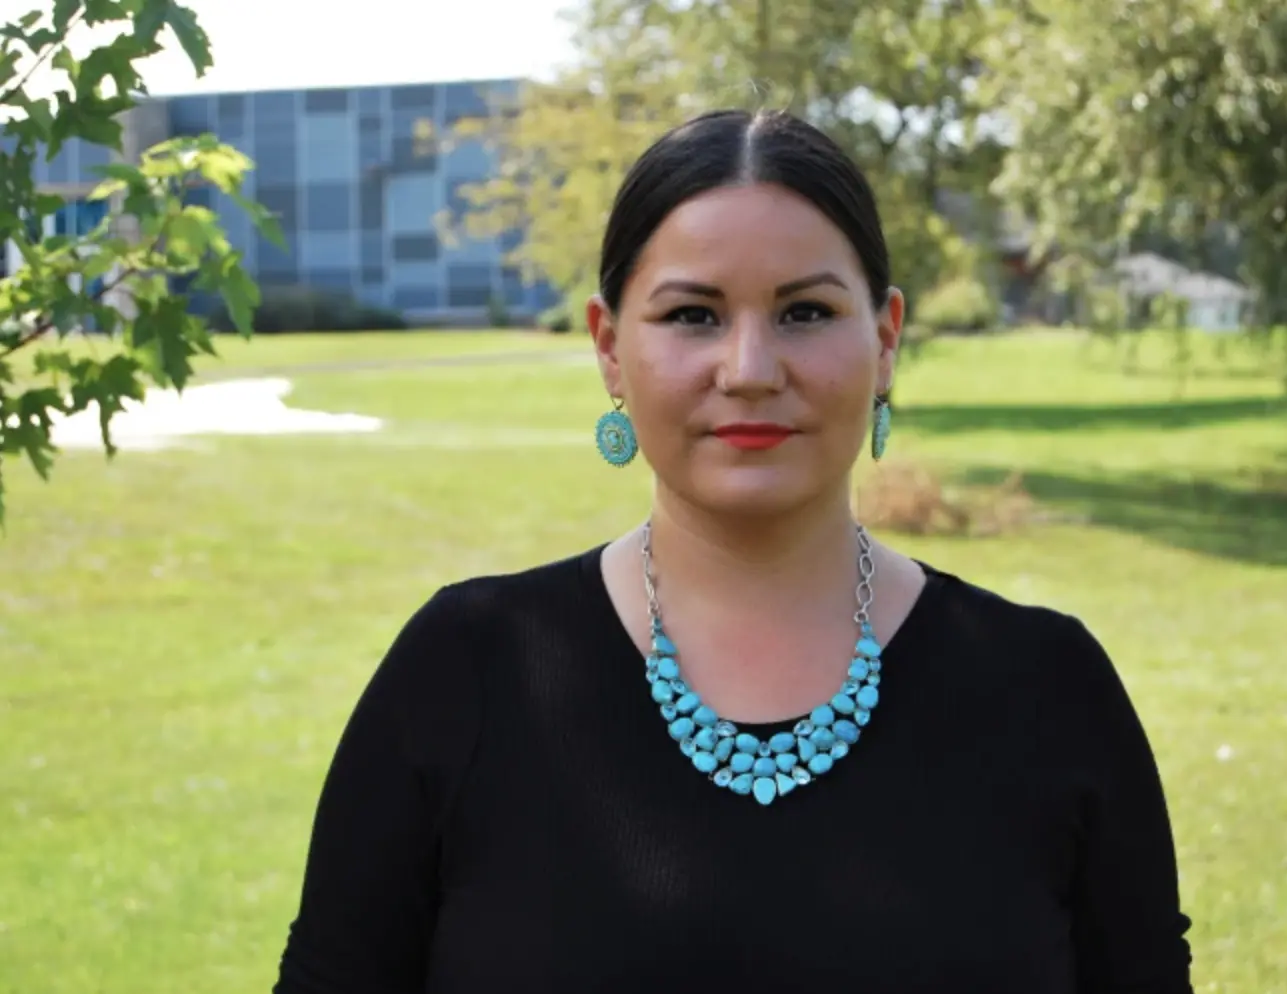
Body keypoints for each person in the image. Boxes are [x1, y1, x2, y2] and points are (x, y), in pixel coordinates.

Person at [272, 108, 1194, 993]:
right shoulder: (467, 671)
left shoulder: (1047, 688)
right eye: (692, 316)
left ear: (885, 339)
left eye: (804, 313)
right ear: (607, 348)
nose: (750, 369)